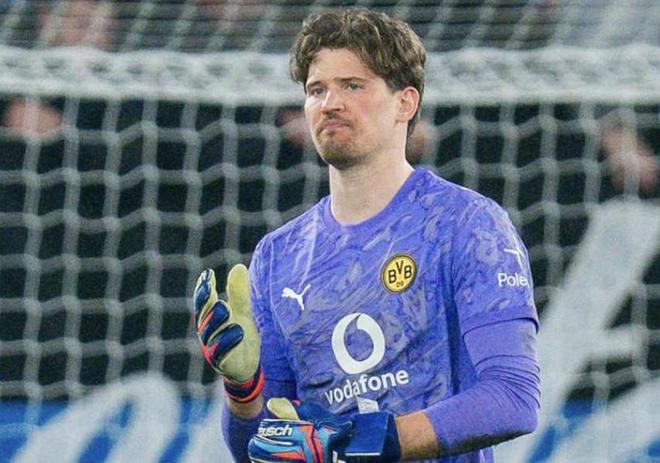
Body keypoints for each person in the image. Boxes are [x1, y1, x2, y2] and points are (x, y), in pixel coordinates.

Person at [193, 8, 540, 462]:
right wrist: (243, 391)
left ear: (405, 103)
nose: (329, 103)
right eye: (316, 90)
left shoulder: (466, 223)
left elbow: (513, 398)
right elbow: (262, 449)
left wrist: (363, 441)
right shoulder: (278, 256)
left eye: (352, 86)